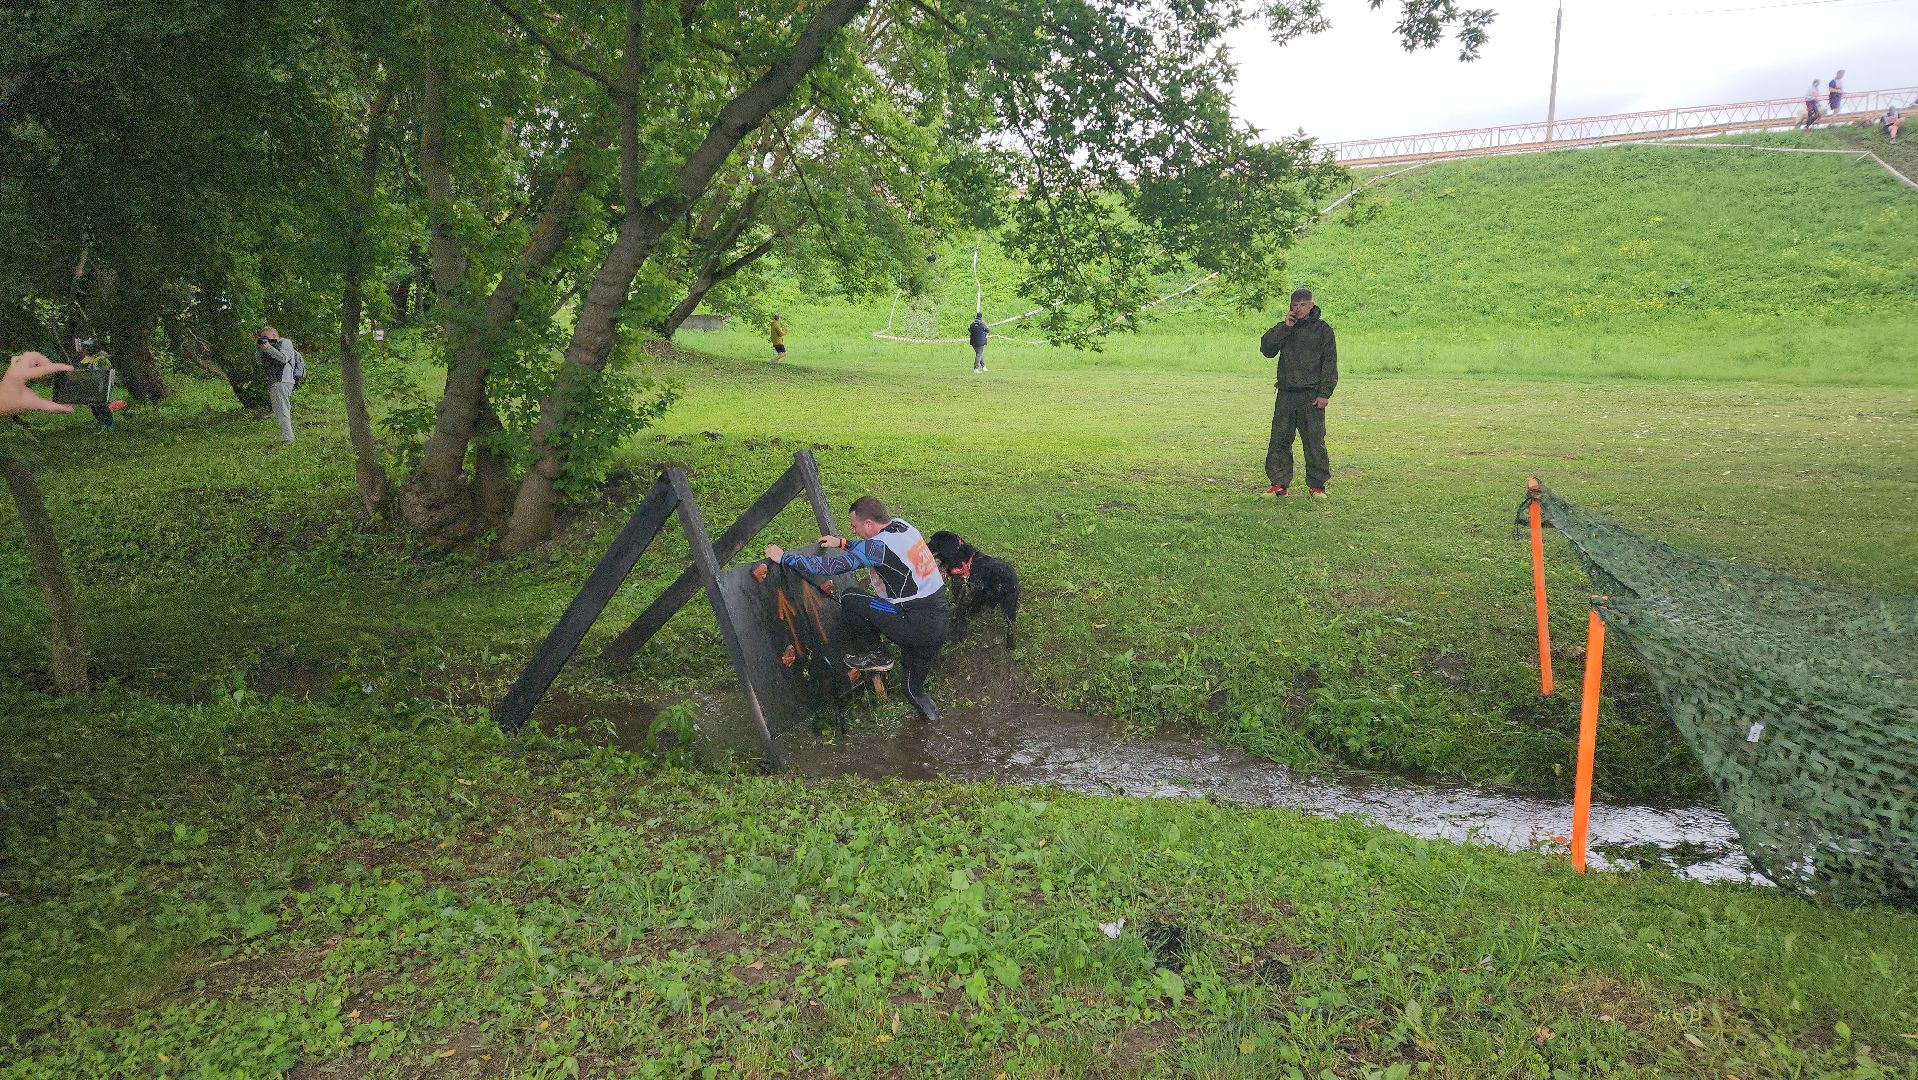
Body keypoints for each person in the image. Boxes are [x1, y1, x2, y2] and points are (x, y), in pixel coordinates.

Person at [764, 495, 951, 723]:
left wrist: (785, 557)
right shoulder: (903, 528)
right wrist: (842, 543)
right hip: (938, 622)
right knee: (912, 689)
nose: (854, 531)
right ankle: (933, 724)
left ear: (869, 524)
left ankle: (878, 654)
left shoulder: (877, 547)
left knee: (851, 596)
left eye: (855, 526)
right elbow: (873, 548)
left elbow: (829, 566)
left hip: (913, 622)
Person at [1259, 288, 1338, 499]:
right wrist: (1285, 327)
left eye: (1303, 305)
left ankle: (1317, 485)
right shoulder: (1285, 329)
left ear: (1311, 305)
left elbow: (1329, 364)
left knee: (1314, 442)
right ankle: (1278, 483)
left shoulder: (1323, 331)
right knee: (1280, 440)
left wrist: (1325, 393)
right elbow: (1267, 350)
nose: (1298, 309)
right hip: (1286, 394)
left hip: (1311, 395)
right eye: (1294, 305)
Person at [1, 351, 74, 416]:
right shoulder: (16, 376)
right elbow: (35, 370)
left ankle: (65, 408)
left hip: (13, 396)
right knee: (31, 356)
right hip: (14, 393)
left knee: (31, 356)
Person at [257, 327, 296, 445]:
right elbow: (259, 361)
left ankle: (288, 439)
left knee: (282, 410)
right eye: (262, 338)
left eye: (266, 337)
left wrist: (269, 348)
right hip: (274, 382)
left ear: (274, 335)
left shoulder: (285, 343)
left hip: (283, 381)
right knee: (279, 410)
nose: (265, 340)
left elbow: (284, 358)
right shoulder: (267, 347)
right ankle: (287, 437)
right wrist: (260, 348)